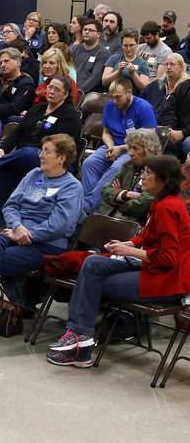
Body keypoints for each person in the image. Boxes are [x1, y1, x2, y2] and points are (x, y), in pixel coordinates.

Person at [47, 155, 190, 368]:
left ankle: (79, 344)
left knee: (91, 282)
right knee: (93, 264)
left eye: (148, 173)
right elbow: (148, 238)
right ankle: (80, 339)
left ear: (164, 180)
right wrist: (130, 244)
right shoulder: (161, 203)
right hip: (155, 270)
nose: (142, 177)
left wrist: (127, 251)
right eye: (144, 171)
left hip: (168, 281)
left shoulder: (168, 207)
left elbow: (167, 258)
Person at [0, 134, 83, 344]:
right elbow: (11, 205)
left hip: (47, 246)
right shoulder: (34, 174)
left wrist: (26, 234)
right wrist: (18, 227)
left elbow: (60, 225)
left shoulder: (71, 187)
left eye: (47, 152)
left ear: (62, 158)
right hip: (17, 233)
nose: (41, 155)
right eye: (42, 150)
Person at [0, 76, 81, 227]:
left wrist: (4, 156)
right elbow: (18, 133)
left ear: (65, 94)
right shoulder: (37, 109)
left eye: (57, 89)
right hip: (26, 158)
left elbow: (60, 146)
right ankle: (0, 221)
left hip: (54, 161)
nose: (51, 91)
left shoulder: (70, 116)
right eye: (50, 87)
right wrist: (3, 149)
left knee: (27, 153)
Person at [81, 78, 157, 212]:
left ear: (129, 92)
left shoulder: (144, 108)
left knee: (117, 167)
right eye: (112, 97)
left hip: (133, 149)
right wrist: (111, 147)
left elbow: (148, 139)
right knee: (89, 163)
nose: (115, 101)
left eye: (118, 97)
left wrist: (121, 148)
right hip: (113, 145)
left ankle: (87, 206)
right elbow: (106, 133)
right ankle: (93, 206)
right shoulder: (110, 105)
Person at [99, 128, 161, 225]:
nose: (130, 153)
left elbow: (142, 206)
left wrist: (117, 196)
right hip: (109, 216)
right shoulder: (127, 165)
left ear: (149, 149)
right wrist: (126, 194)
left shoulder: (159, 170)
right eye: (130, 148)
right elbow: (105, 191)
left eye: (135, 148)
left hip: (133, 225)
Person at [0, 47, 35, 124]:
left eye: (6, 61)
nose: (2, 65)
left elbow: (14, 109)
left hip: (6, 123)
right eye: (0, 62)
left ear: (18, 62)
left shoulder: (26, 83)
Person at [101, 27, 151, 94]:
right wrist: (118, 72)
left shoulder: (142, 63)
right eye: (125, 45)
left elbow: (144, 88)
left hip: (132, 98)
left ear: (137, 44)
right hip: (112, 95)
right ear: (121, 45)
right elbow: (104, 81)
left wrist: (133, 74)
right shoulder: (114, 58)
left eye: (131, 45)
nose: (129, 48)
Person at [73, 19, 110, 93]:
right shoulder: (74, 49)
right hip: (70, 89)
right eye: (85, 29)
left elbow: (95, 78)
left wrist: (77, 92)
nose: (86, 32)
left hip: (87, 94)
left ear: (99, 34)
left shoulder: (103, 53)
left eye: (90, 30)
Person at [159, 76, 190, 159]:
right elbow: (170, 110)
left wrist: (183, 133)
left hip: (186, 135)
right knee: (160, 139)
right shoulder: (183, 86)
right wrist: (169, 128)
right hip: (176, 132)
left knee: (188, 143)